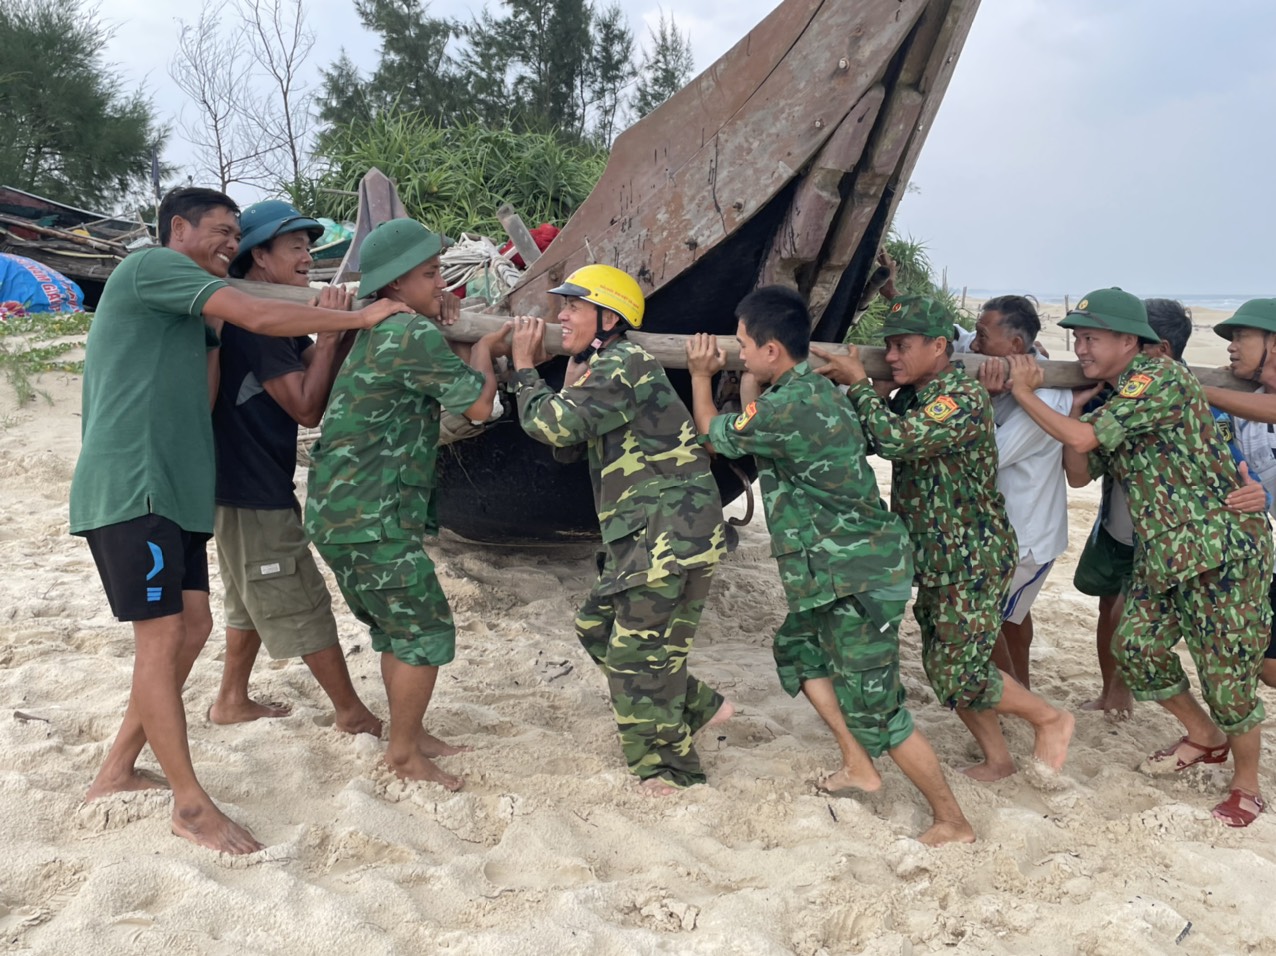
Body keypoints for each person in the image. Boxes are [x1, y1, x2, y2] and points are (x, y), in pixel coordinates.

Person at [69, 187, 409, 854]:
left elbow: (207, 394)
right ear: (179, 228)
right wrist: (361, 318)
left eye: (235, 232)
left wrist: (219, 330)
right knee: (163, 637)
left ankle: (115, 771)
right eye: (222, 231)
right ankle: (191, 806)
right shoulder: (151, 266)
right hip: (135, 487)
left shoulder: (193, 310)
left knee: (192, 627)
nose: (230, 241)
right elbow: (257, 309)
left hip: (174, 493)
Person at [684, 286, 974, 846]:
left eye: (745, 345)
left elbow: (713, 436)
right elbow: (754, 416)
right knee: (798, 650)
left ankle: (952, 820)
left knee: (878, 710)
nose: (739, 352)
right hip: (836, 572)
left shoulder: (788, 406)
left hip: (855, 577)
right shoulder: (810, 393)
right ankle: (859, 768)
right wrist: (748, 385)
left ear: (773, 351)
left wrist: (700, 376)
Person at [1006, 287, 1273, 827]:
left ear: (1131, 341)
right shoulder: (1120, 398)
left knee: (1229, 676)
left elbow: (1082, 440)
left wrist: (1025, 391)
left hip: (1219, 549)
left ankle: (1247, 783)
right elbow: (1080, 469)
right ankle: (1204, 735)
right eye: (1077, 336)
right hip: (1164, 555)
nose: (1080, 347)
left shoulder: (1160, 378)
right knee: (1136, 649)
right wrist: (1078, 407)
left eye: (1093, 337)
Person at [813, 295, 1074, 781]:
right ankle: (998, 759)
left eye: (901, 346)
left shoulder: (958, 395)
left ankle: (1050, 718)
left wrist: (860, 386)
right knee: (945, 669)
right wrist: (882, 387)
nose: (891, 355)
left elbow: (897, 440)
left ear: (938, 346)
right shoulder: (917, 394)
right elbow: (872, 434)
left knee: (963, 670)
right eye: (886, 346)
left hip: (971, 557)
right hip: (938, 556)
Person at [509, 264, 732, 796]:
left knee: (637, 657)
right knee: (600, 630)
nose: (560, 316)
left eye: (572, 308)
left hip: (667, 532)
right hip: (663, 530)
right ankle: (697, 704)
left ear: (608, 318)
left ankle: (668, 771)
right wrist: (566, 381)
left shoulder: (624, 364)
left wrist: (522, 367)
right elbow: (567, 448)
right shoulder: (604, 367)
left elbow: (551, 426)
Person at [305, 218, 507, 791]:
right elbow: (476, 407)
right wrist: (486, 347)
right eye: (430, 273)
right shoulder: (408, 334)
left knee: (396, 630)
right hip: (373, 515)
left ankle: (409, 735)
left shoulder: (375, 329)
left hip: (339, 513)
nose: (441, 283)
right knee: (425, 630)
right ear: (396, 285)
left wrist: (440, 321)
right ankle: (402, 754)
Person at [209, 200, 381, 735]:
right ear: (259, 256)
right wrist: (334, 331)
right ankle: (351, 713)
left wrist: (340, 326)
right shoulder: (256, 323)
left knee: (250, 594)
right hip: (250, 485)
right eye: (296, 247)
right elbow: (307, 406)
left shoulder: (277, 317)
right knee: (295, 592)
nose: (308, 256)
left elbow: (313, 364)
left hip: (243, 482)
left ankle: (231, 700)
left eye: (309, 246)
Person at [1072, 299, 1266, 718]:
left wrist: (1258, 490)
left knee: (1233, 652)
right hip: (1119, 523)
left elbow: (1229, 462)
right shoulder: (1112, 387)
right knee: (1112, 605)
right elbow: (1083, 460)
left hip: (1177, 537)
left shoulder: (1189, 397)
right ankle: (1113, 694)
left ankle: (1131, 699)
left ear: (1155, 348)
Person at [963, 296, 1071, 689]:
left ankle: (1017, 698)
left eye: (982, 335)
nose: (974, 344)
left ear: (1013, 347)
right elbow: (957, 340)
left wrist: (982, 400)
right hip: (1005, 531)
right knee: (1012, 615)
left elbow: (988, 455)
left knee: (985, 619)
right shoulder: (1008, 366)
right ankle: (1021, 688)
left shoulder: (1046, 395)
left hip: (1024, 539)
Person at [1205, 297, 1276, 690]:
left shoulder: (1229, 397)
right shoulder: (1237, 404)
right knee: (1270, 667)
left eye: (1242, 336)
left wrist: (1206, 390)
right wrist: (1257, 495)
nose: (1232, 346)